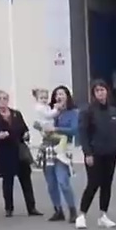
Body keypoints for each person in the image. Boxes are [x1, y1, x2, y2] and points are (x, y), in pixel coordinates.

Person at [76, 80, 116, 229]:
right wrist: (87, 153)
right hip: (95, 153)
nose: (100, 93)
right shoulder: (88, 111)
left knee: (107, 184)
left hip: (111, 153)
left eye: (102, 90)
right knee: (93, 183)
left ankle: (103, 214)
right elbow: (83, 133)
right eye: (97, 91)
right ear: (94, 94)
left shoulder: (113, 111)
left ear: (107, 91)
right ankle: (82, 214)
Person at [0, 90, 38, 217]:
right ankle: (9, 208)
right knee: (7, 182)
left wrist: (26, 134)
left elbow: (24, 129)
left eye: (5, 98)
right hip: (4, 152)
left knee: (26, 180)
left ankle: (31, 207)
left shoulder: (16, 114)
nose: (3, 101)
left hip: (19, 151)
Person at [37, 86, 78, 222]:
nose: (59, 97)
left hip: (62, 148)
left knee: (63, 181)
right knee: (51, 183)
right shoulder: (49, 111)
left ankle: (72, 210)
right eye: (56, 94)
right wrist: (39, 127)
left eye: (62, 94)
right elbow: (41, 122)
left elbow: (74, 130)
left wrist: (56, 128)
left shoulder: (72, 112)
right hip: (47, 146)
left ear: (67, 96)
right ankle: (57, 209)